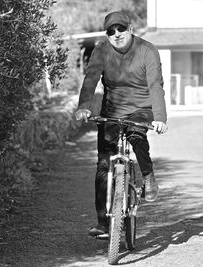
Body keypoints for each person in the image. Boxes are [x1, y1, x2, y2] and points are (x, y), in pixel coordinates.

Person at [75, 11, 168, 236]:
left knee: (136, 135)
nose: (116, 35)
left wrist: (160, 118)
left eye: (121, 29)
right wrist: (84, 106)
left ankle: (148, 176)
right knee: (104, 165)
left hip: (141, 108)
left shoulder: (147, 50)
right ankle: (103, 223)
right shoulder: (102, 50)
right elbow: (91, 79)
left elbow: (155, 85)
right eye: (111, 31)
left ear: (130, 29)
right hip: (112, 109)